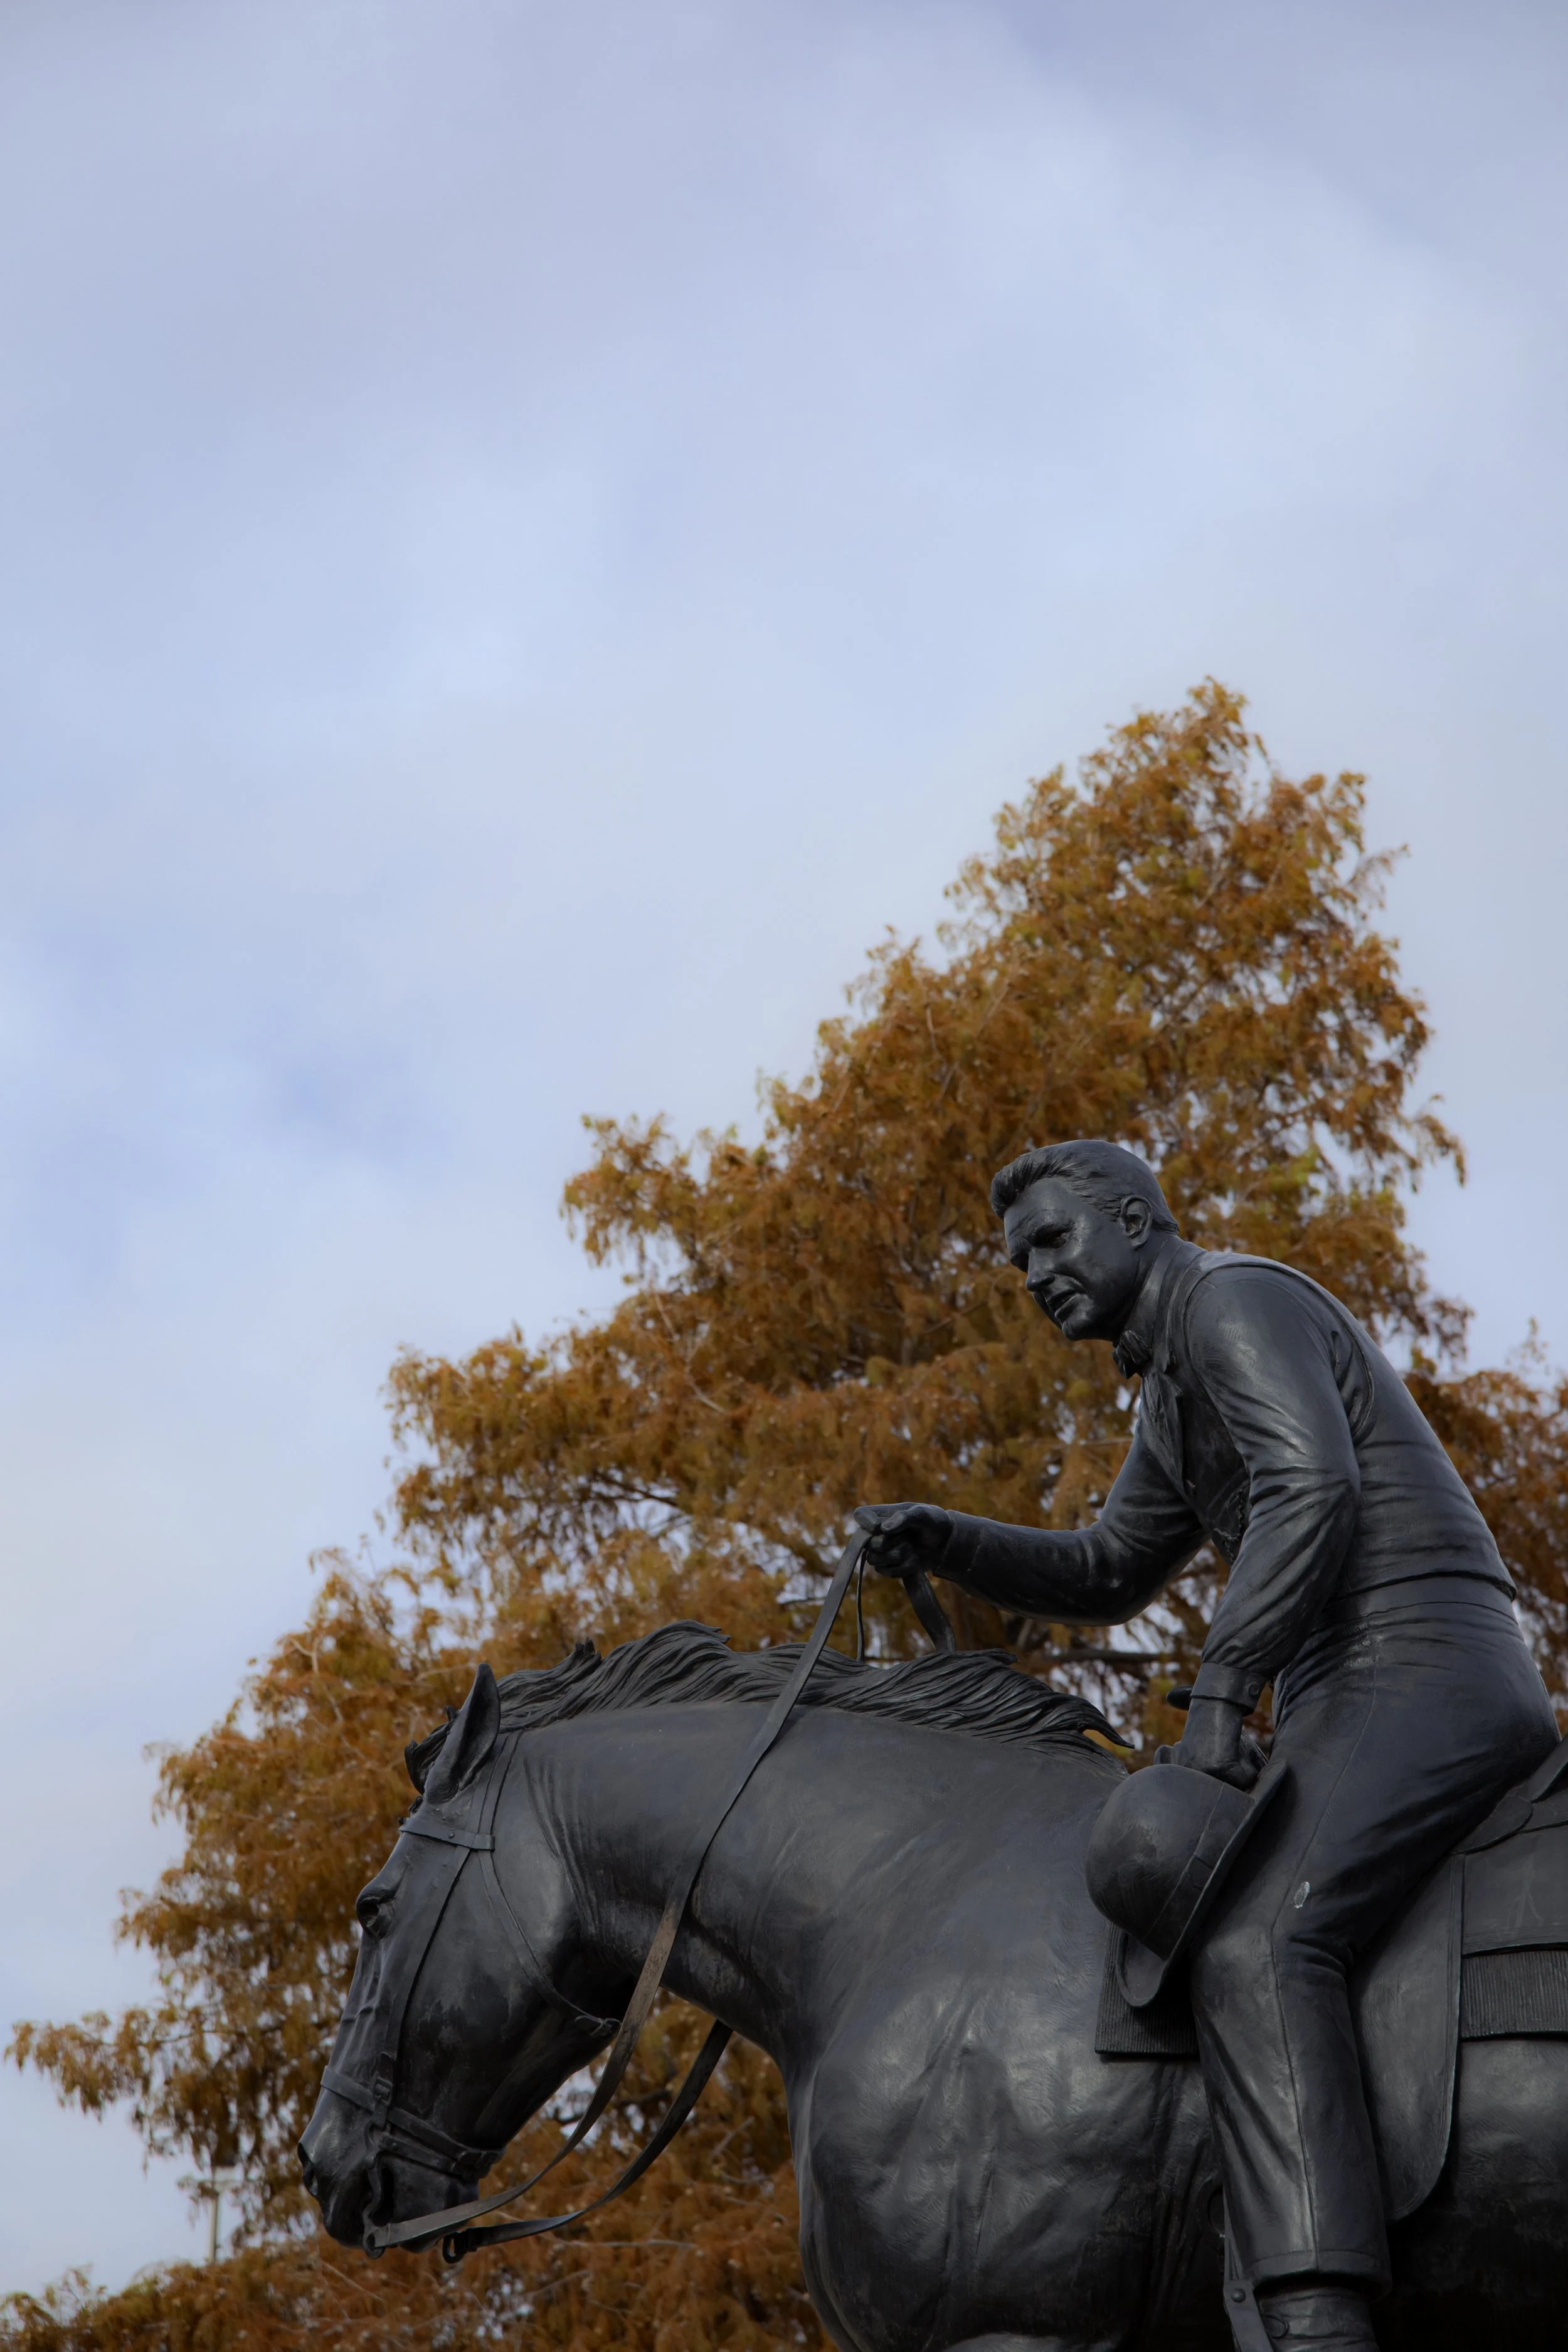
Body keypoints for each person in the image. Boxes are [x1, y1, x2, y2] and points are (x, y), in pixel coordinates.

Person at [855, 1138, 1558, 2352]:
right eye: (1020, 1257)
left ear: (1137, 1219)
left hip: (1420, 1669)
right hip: (1349, 1691)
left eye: (1056, 1239)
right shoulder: (1170, 1383)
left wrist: (1226, 1689)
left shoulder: (1237, 1298)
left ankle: (1315, 2309)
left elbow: (1310, 1488)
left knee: (1258, 1944)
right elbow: (1111, 1567)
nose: (1034, 1274)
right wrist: (951, 1538)